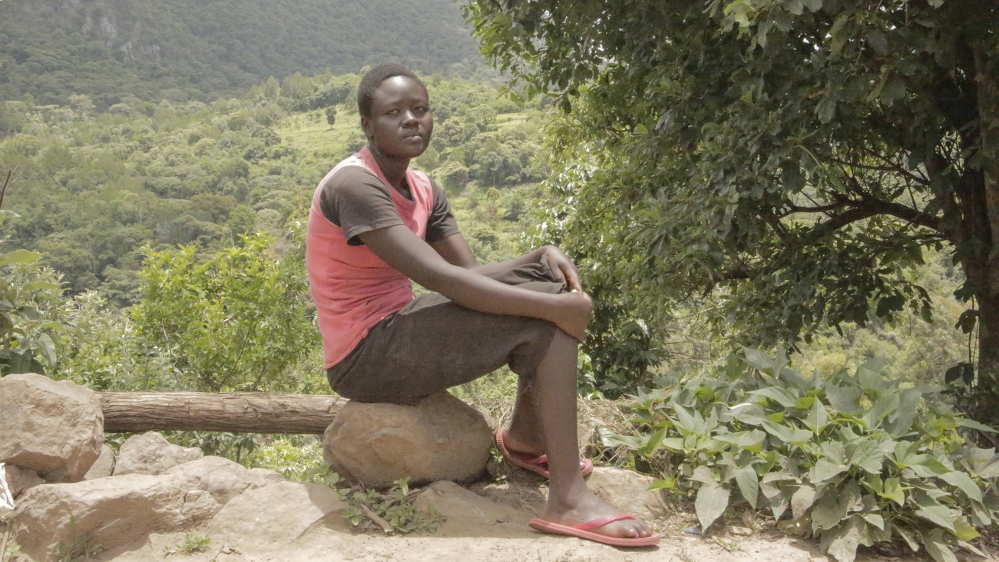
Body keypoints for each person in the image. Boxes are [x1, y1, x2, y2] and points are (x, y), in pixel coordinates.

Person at [306, 63, 658, 547]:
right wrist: (554, 308)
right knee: (546, 314)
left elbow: (468, 279)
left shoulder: (425, 188)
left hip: (400, 327)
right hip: (364, 356)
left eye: (420, 109)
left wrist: (537, 260)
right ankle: (567, 497)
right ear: (367, 125)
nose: (412, 120)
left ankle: (528, 442)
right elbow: (440, 278)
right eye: (394, 113)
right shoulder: (356, 187)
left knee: (546, 284)